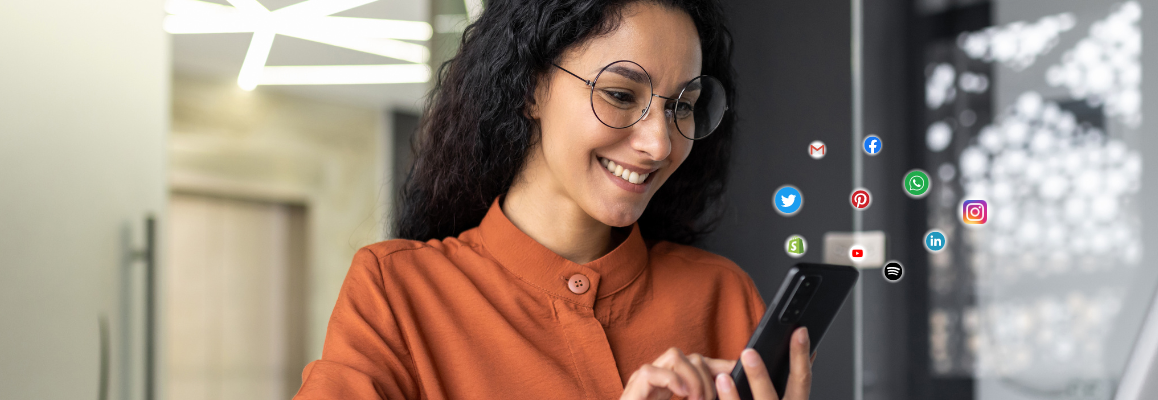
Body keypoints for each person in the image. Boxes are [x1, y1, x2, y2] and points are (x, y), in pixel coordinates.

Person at [292, 1, 813, 399]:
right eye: (619, 94)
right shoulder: (397, 292)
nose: (660, 143)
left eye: (684, 106)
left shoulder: (721, 296)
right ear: (529, 88)